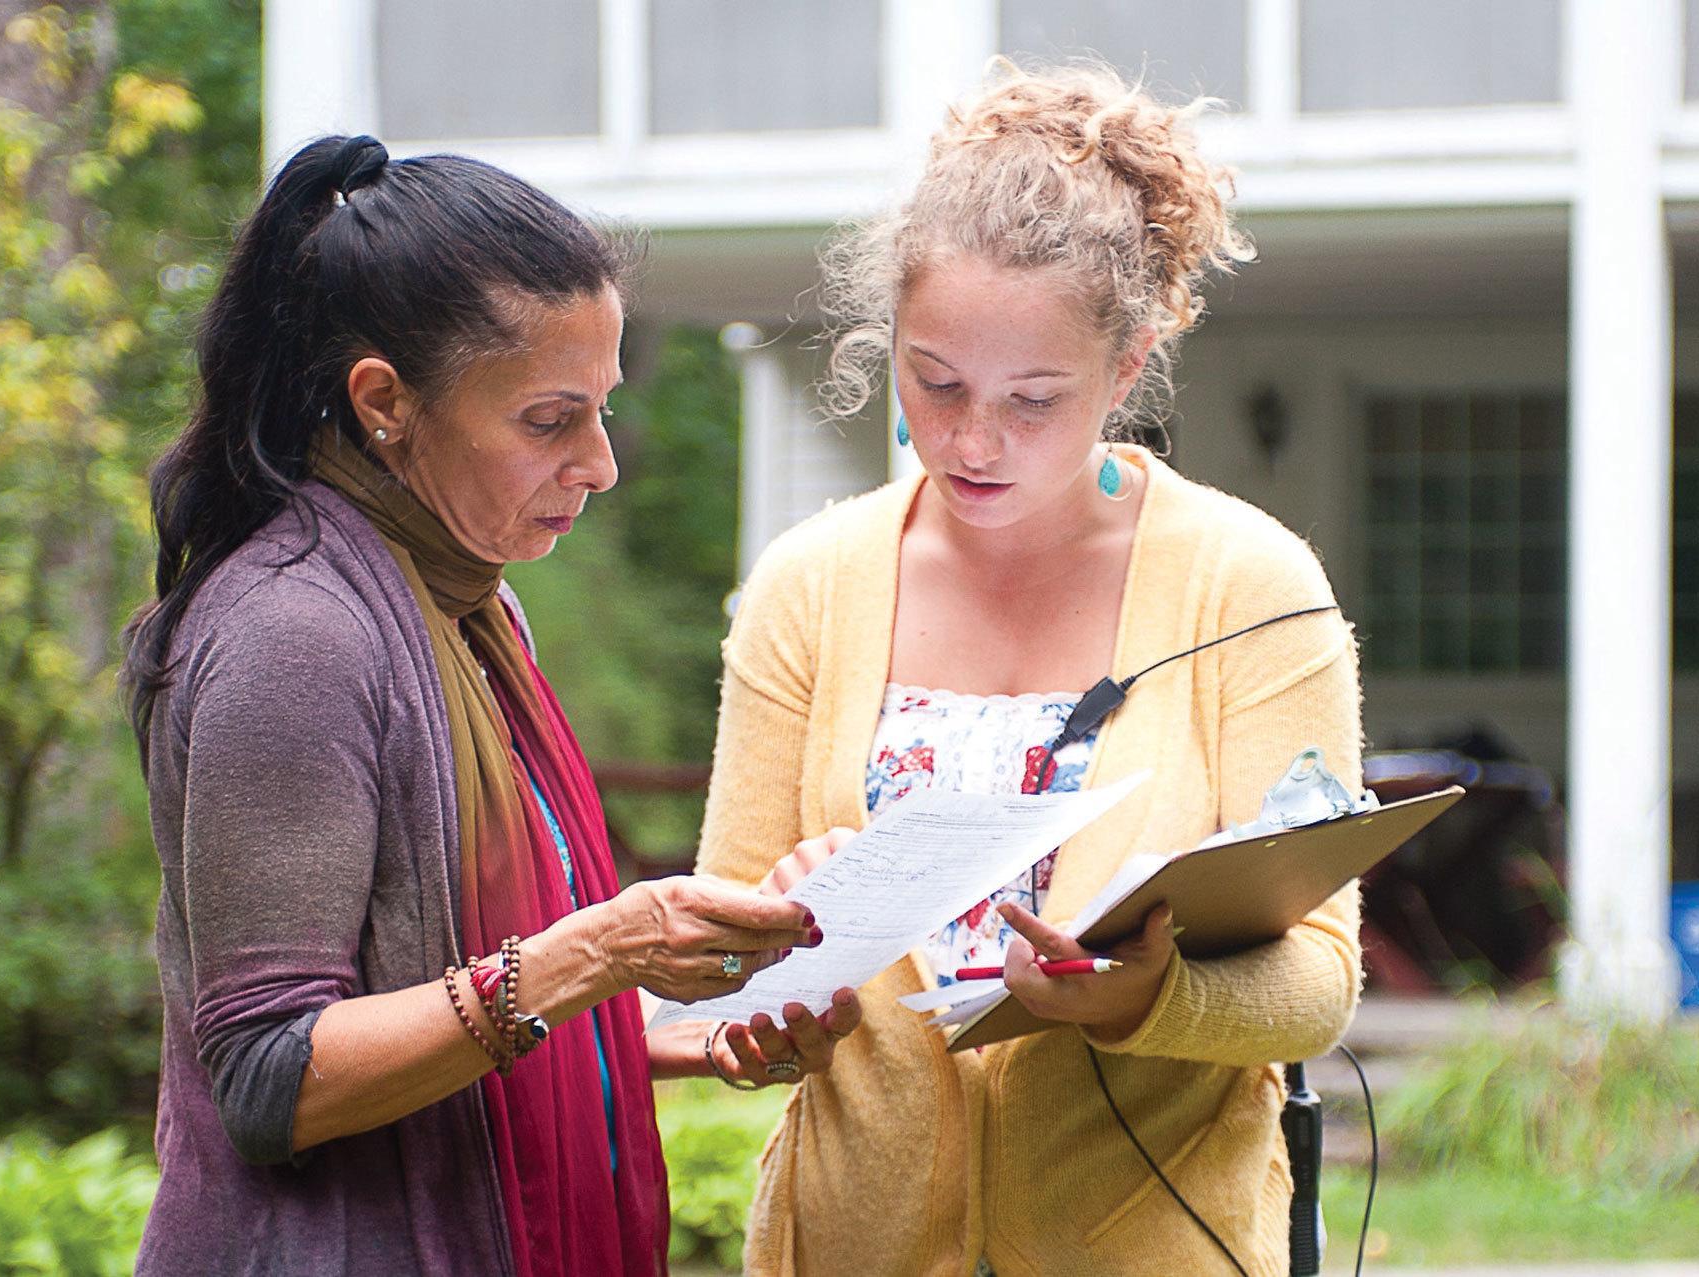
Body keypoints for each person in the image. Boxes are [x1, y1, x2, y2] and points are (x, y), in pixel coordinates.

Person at [123, 135, 858, 1277]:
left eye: (602, 410)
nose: (600, 463)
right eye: (548, 420)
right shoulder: (292, 633)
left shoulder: (472, 608)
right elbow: (270, 1075)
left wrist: (668, 1040)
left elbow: (448, 991)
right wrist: (602, 951)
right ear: (385, 403)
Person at [694, 63, 1364, 1275]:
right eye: (933, 380)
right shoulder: (809, 586)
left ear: (1125, 369)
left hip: (1154, 1240)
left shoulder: (1250, 588)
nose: (969, 439)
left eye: (1033, 399)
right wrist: (767, 976)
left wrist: (1135, 1000)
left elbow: (1316, 977)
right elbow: (715, 970)